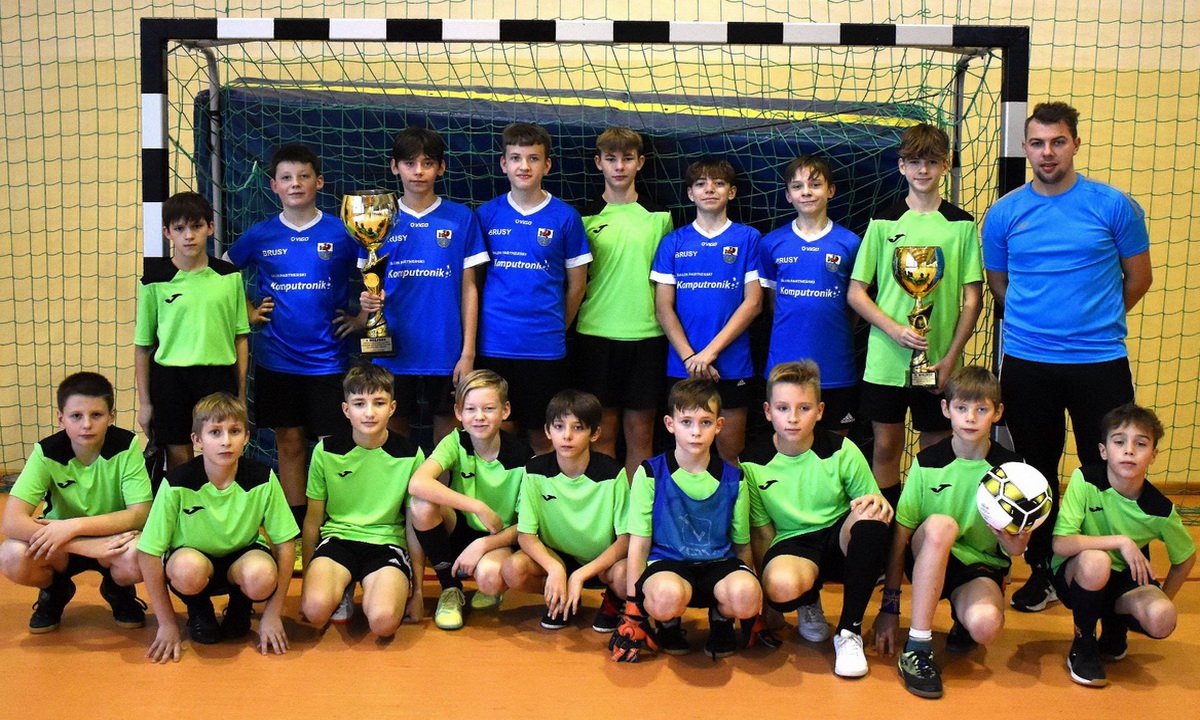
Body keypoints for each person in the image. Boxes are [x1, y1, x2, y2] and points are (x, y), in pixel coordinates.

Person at [981, 102, 1153, 613]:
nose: (1048, 152)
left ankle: (1120, 576)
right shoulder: (1005, 213)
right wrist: (1043, 327)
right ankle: (1045, 572)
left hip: (1100, 361)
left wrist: (1092, 322)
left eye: (1058, 141)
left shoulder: (1113, 206)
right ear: (1025, 148)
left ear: (1075, 143)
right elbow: (999, 284)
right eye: (1037, 143)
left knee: (1110, 468)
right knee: (1034, 469)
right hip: (1028, 363)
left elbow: (1139, 278)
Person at [226, 143, 359, 558]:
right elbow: (222, 271)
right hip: (277, 361)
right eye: (286, 177)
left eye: (303, 176)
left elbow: (377, 272)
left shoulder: (343, 231)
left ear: (319, 182)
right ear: (274, 186)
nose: (295, 184)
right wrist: (247, 310)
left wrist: (360, 319)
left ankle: (336, 527)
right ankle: (297, 531)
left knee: (333, 450)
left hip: (329, 362)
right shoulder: (261, 234)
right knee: (289, 444)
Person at [847, 124, 984, 509]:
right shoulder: (883, 222)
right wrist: (894, 329)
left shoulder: (961, 224)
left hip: (938, 363)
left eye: (932, 162)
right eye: (914, 162)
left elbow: (973, 299)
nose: (923, 170)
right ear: (901, 166)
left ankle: (926, 526)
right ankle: (885, 527)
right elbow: (856, 292)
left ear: (945, 165)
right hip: (886, 362)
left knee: (936, 449)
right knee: (886, 447)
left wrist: (951, 358)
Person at [873, 366, 1029, 699]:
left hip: (978, 564)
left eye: (981, 409)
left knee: (986, 625)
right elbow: (901, 535)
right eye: (961, 408)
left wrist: (1013, 542)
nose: (970, 418)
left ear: (998, 413)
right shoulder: (927, 462)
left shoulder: (1012, 470)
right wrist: (890, 607)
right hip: (928, 552)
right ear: (946, 409)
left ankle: (963, 622)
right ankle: (917, 647)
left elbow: (1017, 550)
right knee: (942, 526)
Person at [742, 361, 891, 678]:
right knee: (781, 586)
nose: (793, 418)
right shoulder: (752, 462)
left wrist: (879, 505)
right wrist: (768, 603)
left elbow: (871, 502)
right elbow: (762, 531)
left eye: (804, 408)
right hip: (794, 545)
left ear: (820, 411)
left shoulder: (842, 450)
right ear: (768, 411)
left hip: (838, 537)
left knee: (872, 518)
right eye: (783, 408)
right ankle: (807, 600)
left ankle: (849, 632)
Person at [137, 393, 298, 662]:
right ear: (197, 440)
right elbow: (149, 552)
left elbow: (285, 544)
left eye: (234, 431)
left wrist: (272, 614)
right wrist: (166, 624)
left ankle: (240, 606)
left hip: (243, 559)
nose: (226, 441)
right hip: (194, 562)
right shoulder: (177, 483)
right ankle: (199, 609)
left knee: (261, 575)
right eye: (215, 432)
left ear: (246, 437)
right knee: (187, 569)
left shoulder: (262, 478)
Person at [609, 379, 761, 662]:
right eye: (686, 422)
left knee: (748, 596)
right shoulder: (650, 473)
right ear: (670, 424)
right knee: (665, 597)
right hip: (668, 565)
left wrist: (752, 612)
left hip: (718, 564)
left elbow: (742, 545)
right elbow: (639, 544)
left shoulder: (735, 478)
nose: (696, 431)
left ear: (719, 425)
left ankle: (722, 619)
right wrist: (633, 610)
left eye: (705, 422)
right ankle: (667, 623)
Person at [359, 126, 489, 442]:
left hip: (445, 350)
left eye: (427, 163)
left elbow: (469, 288)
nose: (418, 171)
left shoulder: (461, 217)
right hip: (391, 350)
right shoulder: (376, 218)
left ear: (441, 168)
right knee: (392, 439)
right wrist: (365, 306)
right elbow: (369, 286)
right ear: (395, 167)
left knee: (448, 442)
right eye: (409, 163)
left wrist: (468, 352)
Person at [1050, 404, 1194, 687]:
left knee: (1163, 617)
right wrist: (1121, 542)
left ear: (1153, 455)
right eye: (1119, 442)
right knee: (1097, 560)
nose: (1129, 451)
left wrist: (1163, 595)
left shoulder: (1160, 510)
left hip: (1123, 583)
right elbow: (1061, 544)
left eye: (1140, 444)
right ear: (1104, 450)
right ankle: (1084, 642)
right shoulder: (1085, 480)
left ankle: (1115, 625)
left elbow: (1186, 558)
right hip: (1077, 574)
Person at [0, 372, 152, 634]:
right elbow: (11, 521)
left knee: (143, 552)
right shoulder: (46, 453)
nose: (86, 424)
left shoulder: (126, 446)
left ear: (111, 416)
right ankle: (55, 591)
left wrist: (75, 526)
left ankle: (118, 590)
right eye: (76, 416)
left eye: (96, 415)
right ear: (61, 419)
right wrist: (79, 543)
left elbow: (140, 514)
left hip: (110, 539)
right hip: (59, 544)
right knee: (11, 555)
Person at [475, 122, 590, 454]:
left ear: (547, 165)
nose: (524, 166)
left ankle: (541, 489)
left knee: (543, 434)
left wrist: (554, 327)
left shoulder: (566, 217)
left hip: (545, 347)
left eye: (533, 158)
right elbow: (475, 283)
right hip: (494, 344)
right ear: (503, 163)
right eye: (515, 158)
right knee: (499, 433)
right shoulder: (486, 215)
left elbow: (577, 286)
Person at [574, 127, 674, 477]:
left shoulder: (660, 217)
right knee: (602, 435)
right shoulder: (583, 217)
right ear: (598, 162)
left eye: (627, 159)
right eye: (611, 159)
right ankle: (609, 507)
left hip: (647, 337)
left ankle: (637, 508)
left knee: (641, 435)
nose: (619, 166)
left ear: (640, 163)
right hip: (595, 336)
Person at [299, 363, 424, 638]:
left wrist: (418, 592)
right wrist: (307, 580)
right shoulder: (326, 451)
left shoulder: (411, 454)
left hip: (386, 543)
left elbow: (414, 526)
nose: (369, 412)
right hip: (338, 540)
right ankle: (341, 587)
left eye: (379, 403)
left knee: (383, 622)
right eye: (359, 404)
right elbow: (312, 520)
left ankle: (376, 587)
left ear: (392, 408)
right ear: (346, 410)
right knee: (315, 610)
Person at [651, 158, 763, 463]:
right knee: (686, 453)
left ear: (732, 192)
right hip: (683, 366)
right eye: (701, 184)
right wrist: (691, 358)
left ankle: (735, 498)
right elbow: (663, 309)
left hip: (732, 365)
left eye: (719, 183)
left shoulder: (748, 238)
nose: (709, 189)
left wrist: (708, 354)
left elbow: (753, 303)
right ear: (690, 194)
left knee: (731, 452)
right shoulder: (673, 242)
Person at [406, 369, 532, 630]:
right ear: (459, 413)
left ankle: (490, 582)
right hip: (460, 527)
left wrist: (483, 545)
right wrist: (477, 506)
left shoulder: (522, 457)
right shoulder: (456, 440)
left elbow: (527, 525)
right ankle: (450, 588)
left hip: (498, 535)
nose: (479, 416)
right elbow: (417, 483)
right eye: (471, 409)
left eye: (489, 408)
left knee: (489, 578)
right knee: (420, 504)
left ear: (505, 411)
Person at [135, 192, 251, 470]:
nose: (189, 236)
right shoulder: (153, 281)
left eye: (196, 226)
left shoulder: (229, 276)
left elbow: (240, 338)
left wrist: (241, 394)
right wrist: (145, 403)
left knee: (222, 454)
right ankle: (183, 500)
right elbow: (142, 346)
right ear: (167, 232)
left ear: (210, 228)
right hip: (170, 380)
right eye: (179, 228)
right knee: (179, 460)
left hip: (218, 377)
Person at [500, 389, 630, 632]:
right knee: (513, 569)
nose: (567, 436)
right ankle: (561, 598)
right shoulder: (534, 471)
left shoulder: (613, 474)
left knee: (626, 576)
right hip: (557, 556)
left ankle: (613, 602)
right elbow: (526, 535)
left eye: (578, 428)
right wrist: (554, 568)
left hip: (601, 563)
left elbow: (625, 540)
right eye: (559, 427)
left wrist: (580, 575)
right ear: (548, 431)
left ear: (595, 433)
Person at [758, 155, 864, 434]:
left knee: (835, 448)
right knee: (787, 444)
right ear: (788, 195)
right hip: (783, 367)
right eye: (797, 186)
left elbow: (855, 305)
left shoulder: (851, 243)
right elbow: (772, 305)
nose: (806, 192)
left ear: (831, 190)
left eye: (815, 185)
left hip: (835, 367)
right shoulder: (771, 243)